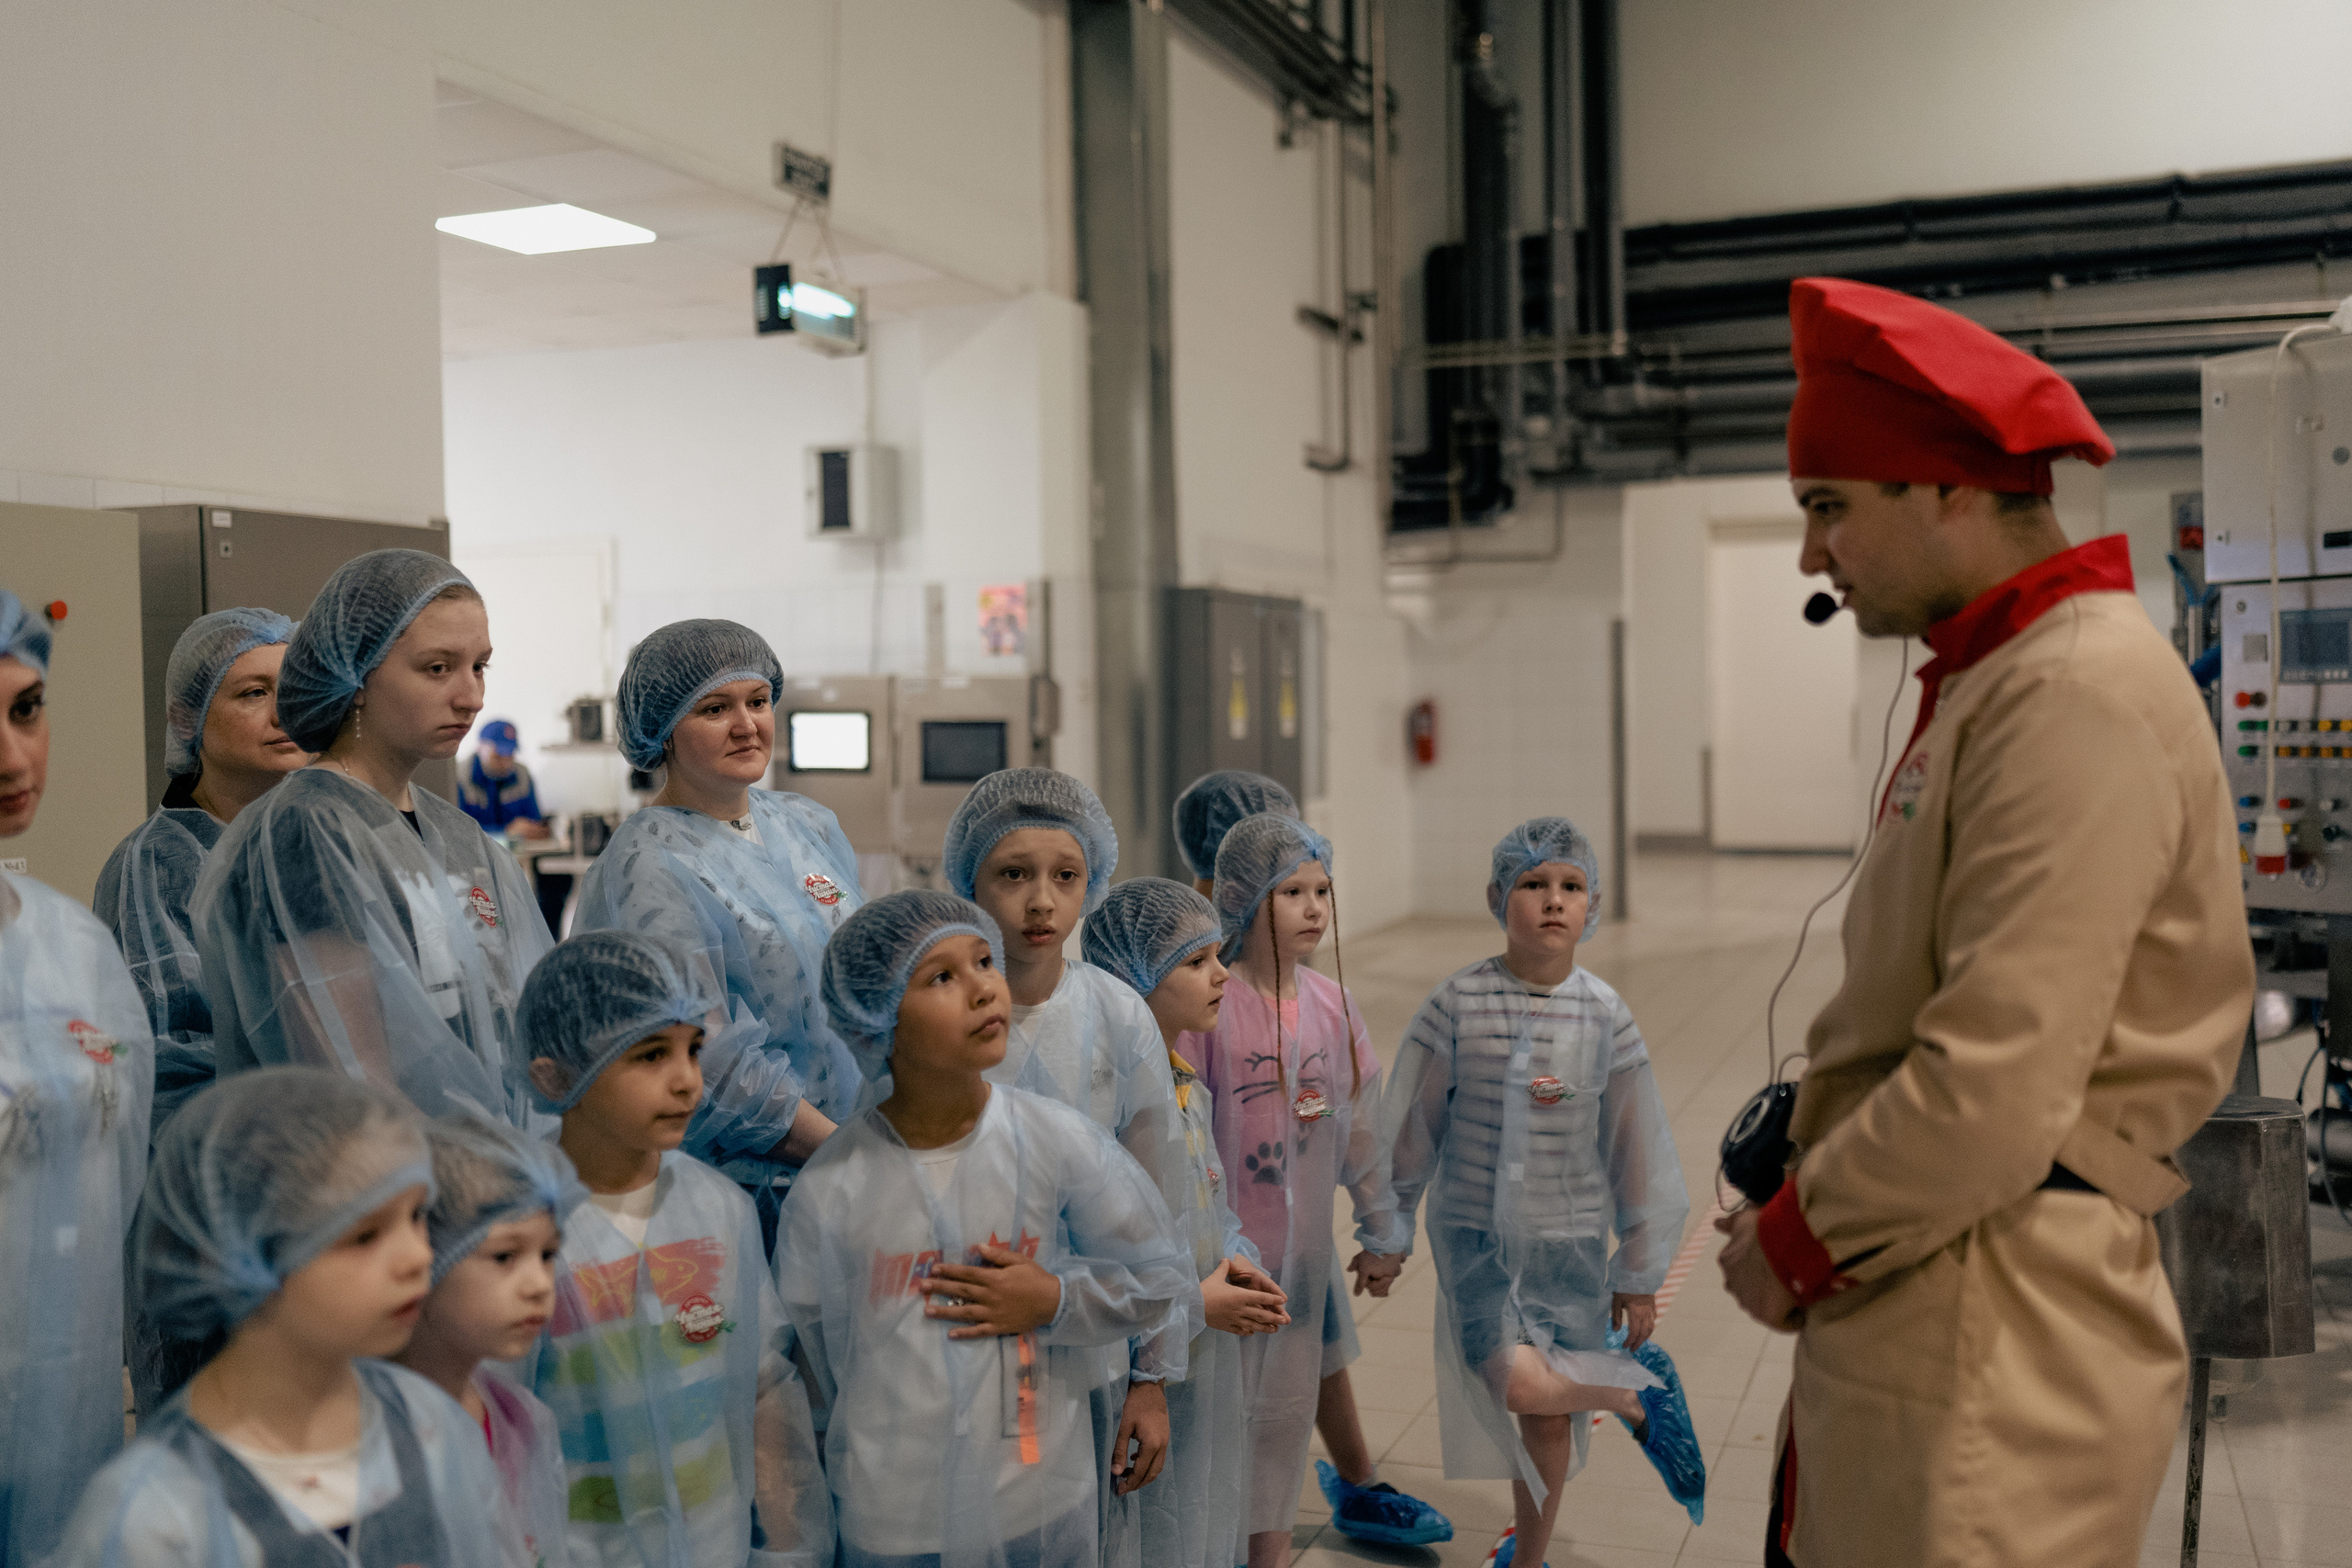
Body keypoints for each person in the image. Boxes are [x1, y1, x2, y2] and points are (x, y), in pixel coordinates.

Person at [1712, 276, 2255, 1568]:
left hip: (1997, 1321)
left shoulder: (2071, 693)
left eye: (1829, 507)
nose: (1811, 555)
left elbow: (1994, 1081)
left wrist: (1794, 1240)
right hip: (1939, 1279)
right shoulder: (2001, 676)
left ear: (1946, 487)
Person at [777, 889, 1193, 1568]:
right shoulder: (832, 1186)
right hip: (893, 1517)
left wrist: (1054, 1300)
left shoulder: (1053, 1141)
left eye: (982, 961)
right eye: (941, 976)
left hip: (1039, 1498)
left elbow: (1156, 1277)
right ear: (875, 1021)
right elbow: (815, 1370)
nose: (981, 989)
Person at [1381, 819, 1704, 1568]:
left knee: (1550, 1422)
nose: (1553, 901)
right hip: (1476, 1239)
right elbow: (1413, 1130)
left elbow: (1634, 1150)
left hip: (1571, 1239)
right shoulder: (1456, 1004)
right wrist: (1388, 1228)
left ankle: (1528, 1559)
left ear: (1592, 904)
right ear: (1498, 897)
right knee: (1517, 1380)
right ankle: (1631, 1392)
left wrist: (1639, 1272)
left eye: (1571, 886)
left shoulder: (1604, 1014)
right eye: (1533, 884)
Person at [54, 1066, 514, 1567]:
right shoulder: (155, 1518)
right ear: (240, 1255)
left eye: (417, 1216)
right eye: (364, 1236)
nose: (419, 1257)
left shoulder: (432, 1428)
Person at [1170, 769, 1449, 1548]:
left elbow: (1363, 1133)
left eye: (1323, 890)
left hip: (1303, 1267)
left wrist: (1384, 1228)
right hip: (1224, 1267)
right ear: (1241, 897)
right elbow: (1183, 1141)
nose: (1315, 908)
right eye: (1293, 891)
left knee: (1282, 1432)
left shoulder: (1335, 1006)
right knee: (1213, 1429)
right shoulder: (1209, 1008)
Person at [190, 549, 552, 1126]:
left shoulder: (459, 835)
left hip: (493, 1176)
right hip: (386, 1189)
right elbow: (347, 1077)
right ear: (355, 677)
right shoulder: (305, 833)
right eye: (438, 668)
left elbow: (522, 1022)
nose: (472, 697)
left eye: (479, 666)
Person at [516, 929, 833, 1568]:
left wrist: (787, 1545)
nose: (689, 1080)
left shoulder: (720, 1209)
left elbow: (764, 1385)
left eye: (693, 1049)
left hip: (714, 1543)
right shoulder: (519, 1228)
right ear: (555, 1071)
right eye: (649, 1055)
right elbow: (495, 1418)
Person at [943, 767, 1191, 1561]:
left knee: (1080, 1537)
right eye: (1013, 874)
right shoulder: (934, 1014)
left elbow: (1162, 1207)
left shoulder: (1118, 1016)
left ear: (1093, 882)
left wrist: (1152, 1377)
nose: (1041, 901)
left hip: (1093, 1340)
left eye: (1066, 876)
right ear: (967, 879)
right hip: (960, 1334)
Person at [573, 619, 863, 1241]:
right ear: (664, 732)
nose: (746, 724)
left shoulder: (806, 824)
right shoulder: (649, 866)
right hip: (748, 1196)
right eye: (714, 708)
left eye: (758, 701)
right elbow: (709, 1063)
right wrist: (849, 1155)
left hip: (854, 1166)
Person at [0, 588, 155, 1566]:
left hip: (70, 1416)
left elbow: (124, 1184)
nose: (14, 761)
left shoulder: (74, 946)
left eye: (26, 709)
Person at [1080, 877, 1296, 1568]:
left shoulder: (1181, 1079)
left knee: (1199, 1507)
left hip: (1196, 1348)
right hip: (1141, 1355)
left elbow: (1205, 1203)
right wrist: (1194, 1302)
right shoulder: (1113, 1100)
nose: (1222, 974)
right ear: (1132, 977)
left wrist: (1233, 1253)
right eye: (1196, 962)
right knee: (1145, 1523)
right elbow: (1106, 1250)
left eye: (1218, 955)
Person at [96, 606, 302, 1145]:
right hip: (239, 1165)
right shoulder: (156, 865)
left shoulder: (314, 842)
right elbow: (172, 1068)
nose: (285, 713)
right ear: (187, 720)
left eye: (295, 687)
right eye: (254, 693)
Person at [396, 1109, 586, 1568]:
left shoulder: (520, 1420)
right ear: (419, 1258)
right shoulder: (373, 1445)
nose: (541, 1284)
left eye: (547, 1254)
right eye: (505, 1256)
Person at [458, 718, 569, 934]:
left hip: (517, 860)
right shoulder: (459, 778)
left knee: (557, 879)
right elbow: (458, 835)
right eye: (499, 754)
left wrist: (535, 831)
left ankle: (547, 943)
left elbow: (534, 825)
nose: (506, 761)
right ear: (481, 747)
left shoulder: (522, 775)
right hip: (472, 864)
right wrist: (507, 834)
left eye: (511, 754)